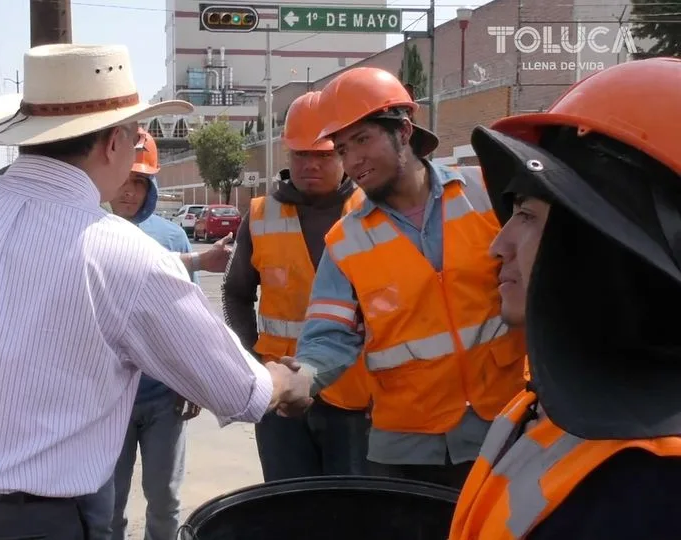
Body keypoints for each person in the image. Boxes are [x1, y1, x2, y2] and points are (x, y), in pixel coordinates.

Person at [0, 44, 311, 540]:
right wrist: (286, 383)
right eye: (136, 139)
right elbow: (236, 391)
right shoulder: (121, 253)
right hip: (25, 524)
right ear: (113, 143)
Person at [449, 57, 681, 539]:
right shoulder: (543, 405)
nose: (499, 244)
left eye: (529, 216)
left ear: (612, 248)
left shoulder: (654, 485)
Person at [287, 67, 527, 489]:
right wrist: (302, 376)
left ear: (403, 130)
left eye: (362, 139)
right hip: (405, 445)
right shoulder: (345, 240)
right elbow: (329, 334)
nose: (353, 161)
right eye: (342, 149)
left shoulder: (485, 194)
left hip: (504, 424)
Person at [223, 91, 372, 481]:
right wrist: (251, 357)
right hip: (282, 392)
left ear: (341, 155)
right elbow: (235, 292)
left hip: (356, 390)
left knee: (353, 506)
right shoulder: (260, 214)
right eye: (301, 155)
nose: (311, 165)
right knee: (288, 502)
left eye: (323, 155)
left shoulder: (371, 212)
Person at [107, 128, 200, 540]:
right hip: (109, 399)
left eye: (140, 183)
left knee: (165, 499)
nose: (130, 193)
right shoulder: (86, 231)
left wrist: (193, 381)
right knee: (109, 501)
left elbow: (190, 318)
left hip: (164, 396)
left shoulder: (173, 237)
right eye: (124, 181)